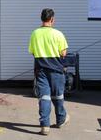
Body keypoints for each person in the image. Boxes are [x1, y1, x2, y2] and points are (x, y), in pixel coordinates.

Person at [28, 8, 70, 136]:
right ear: (52, 19)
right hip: (56, 70)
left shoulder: (35, 33)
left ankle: (45, 125)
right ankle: (61, 119)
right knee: (58, 96)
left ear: (42, 19)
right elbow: (63, 53)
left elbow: (33, 52)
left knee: (44, 98)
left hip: (41, 70)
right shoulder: (58, 34)